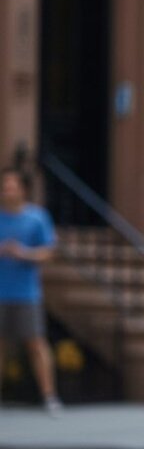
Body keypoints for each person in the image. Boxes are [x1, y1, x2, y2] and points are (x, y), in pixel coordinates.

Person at [0, 165, 61, 415]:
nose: (7, 191)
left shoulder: (37, 217)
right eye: (4, 187)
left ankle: (49, 397)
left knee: (36, 344)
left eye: (11, 186)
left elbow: (50, 252)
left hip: (27, 293)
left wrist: (24, 253)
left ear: (23, 189)